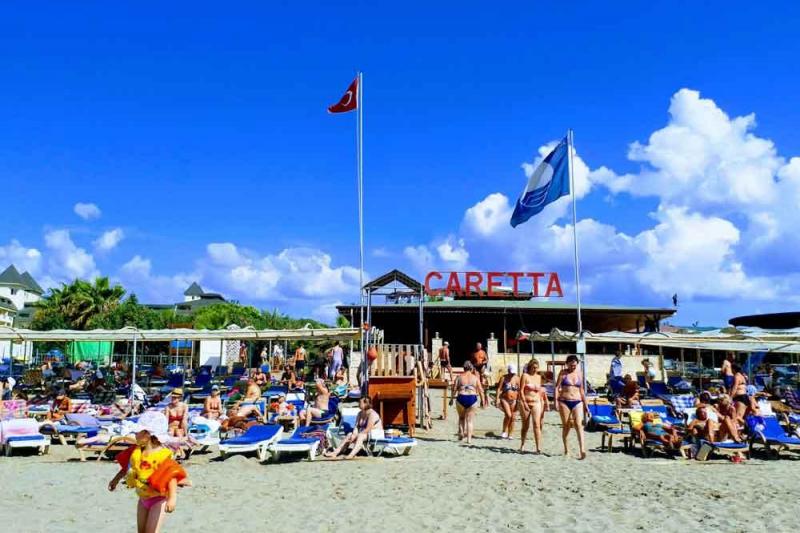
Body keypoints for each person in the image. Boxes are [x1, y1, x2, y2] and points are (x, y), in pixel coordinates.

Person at [108, 429, 189, 533]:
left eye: (138, 433)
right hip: (142, 498)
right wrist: (116, 479)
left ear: (147, 436)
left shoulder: (162, 454)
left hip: (158, 499)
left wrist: (172, 498)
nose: (135, 435)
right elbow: (129, 467)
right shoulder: (138, 451)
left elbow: (171, 476)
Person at [554, 355, 588, 459]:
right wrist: (555, 401)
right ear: (567, 364)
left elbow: (582, 390)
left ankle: (582, 449)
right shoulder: (563, 373)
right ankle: (566, 449)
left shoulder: (579, 373)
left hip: (577, 401)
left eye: (575, 365)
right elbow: (556, 388)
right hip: (564, 401)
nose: (573, 367)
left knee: (578, 424)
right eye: (571, 365)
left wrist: (585, 404)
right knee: (566, 425)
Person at [449, 361, 483, 444]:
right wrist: (483, 400)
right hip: (472, 398)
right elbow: (481, 390)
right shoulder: (475, 378)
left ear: (463, 368)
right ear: (471, 368)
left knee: (461, 418)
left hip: (461, 397)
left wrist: (451, 399)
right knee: (470, 420)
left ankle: (461, 433)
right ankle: (469, 439)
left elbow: (454, 389)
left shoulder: (459, 377)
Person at [519, 359, 548, 453]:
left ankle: (538, 447)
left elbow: (540, 391)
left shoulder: (539, 377)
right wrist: (523, 402)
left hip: (536, 402)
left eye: (536, 368)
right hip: (526, 401)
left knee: (537, 424)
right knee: (525, 425)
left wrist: (544, 401)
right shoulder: (525, 376)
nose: (535, 369)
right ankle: (522, 444)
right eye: (533, 367)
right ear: (530, 367)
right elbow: (521, 390)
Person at [495, 364, 520, 440]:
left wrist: (520, 399)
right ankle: (504, 431)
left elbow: (520, 389)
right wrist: (497, 399)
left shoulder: (517, 378)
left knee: (513, 417)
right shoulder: (503, 378)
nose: (512, 374)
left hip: (514, 400)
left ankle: (510, 433)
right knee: (508, 415)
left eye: (513, 373)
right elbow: (499, 389)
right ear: (508, 370)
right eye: (511, 372)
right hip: (505, 398)